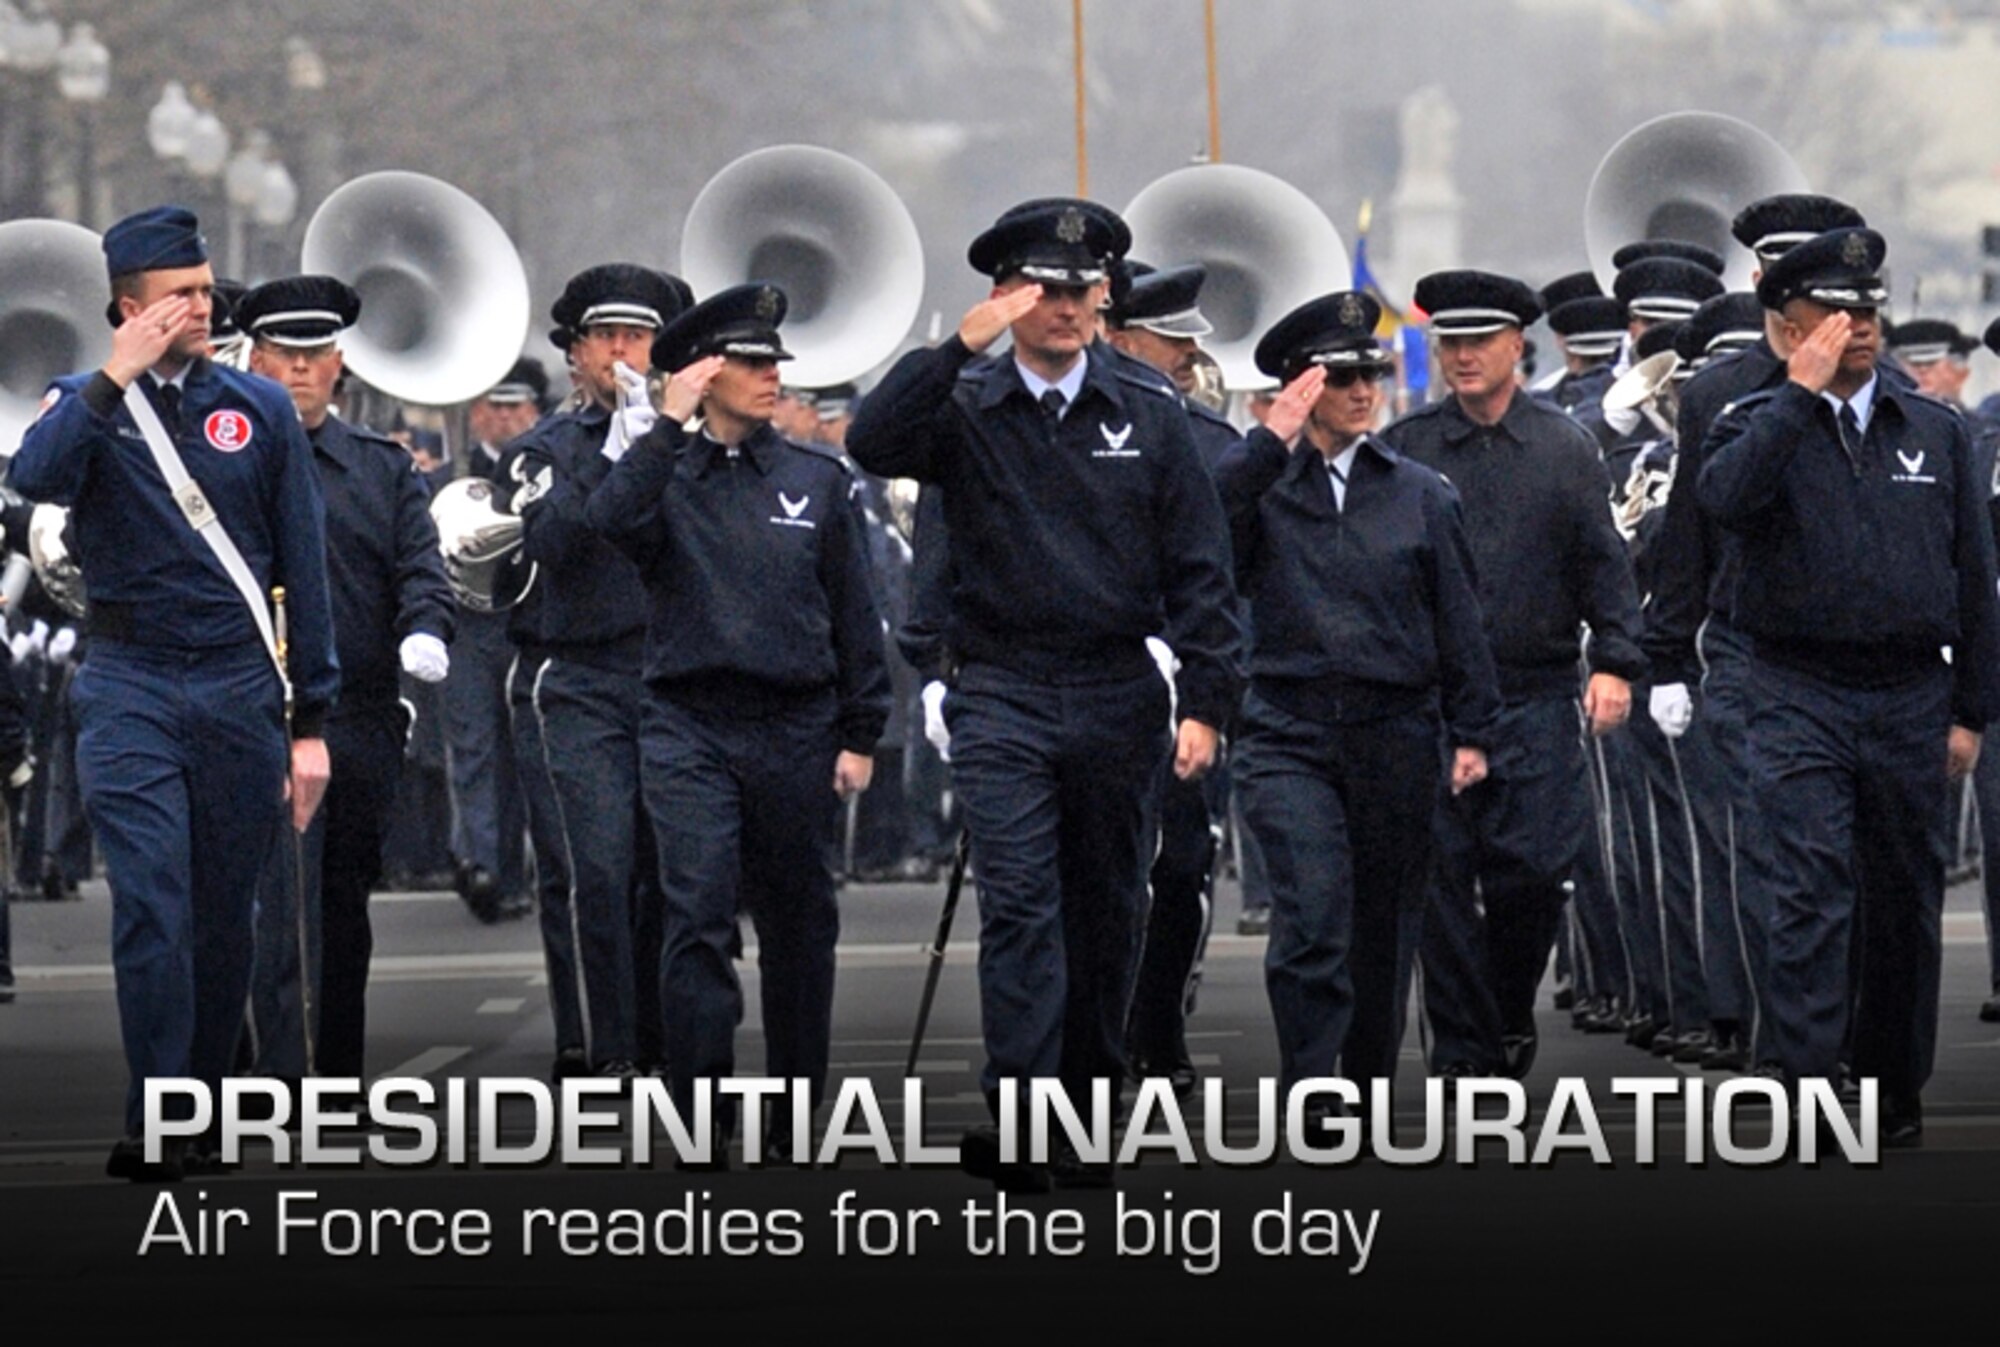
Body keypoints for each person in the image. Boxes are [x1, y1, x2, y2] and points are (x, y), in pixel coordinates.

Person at [846, 198, 1242, 1191]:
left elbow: (1200, 571)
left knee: (1108, 908)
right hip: (1004, 687)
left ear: (1105, 296)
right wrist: (955, 352)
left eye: (1080, 291)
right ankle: (1023, 1115)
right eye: (1043, 291)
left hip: (1115, 687)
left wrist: (1204, 698)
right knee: (1021, 904)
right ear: (1006, 297)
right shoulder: (963, 408)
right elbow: (871, 440)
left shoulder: (1148, 413)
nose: (1064, 308)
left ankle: (1085, 1109)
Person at [9, 206, 336, 1180]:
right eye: (179, 295)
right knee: (152, 899)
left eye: (205, 287)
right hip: (131, 678)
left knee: (222, 913)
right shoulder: (85, 403)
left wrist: (309, 718)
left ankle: (199, 1109)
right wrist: (111, 376)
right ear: (128, 307)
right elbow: (35, 477)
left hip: (237, 683)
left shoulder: (261, 408)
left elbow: (302, 566)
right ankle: (154, 1115)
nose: (202, 304)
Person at [1699, 227, 2000, 1145]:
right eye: (1832, 317)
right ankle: (1806, 1079)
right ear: (1788, 332)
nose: (1857, 330)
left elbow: (1972, 579)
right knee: (1809, 886)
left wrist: (1970, 712)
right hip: (1796, 686)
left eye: (1866, 312)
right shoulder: (1754, 425)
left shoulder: (1938, 432)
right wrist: (1793, 401)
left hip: (1910, 691)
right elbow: (1722, 502)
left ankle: (1890, 1085)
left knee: (1903, 893)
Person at [587, 283, 891, 1161]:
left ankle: (797, 1107)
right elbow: (608, 522)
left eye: (772, 363)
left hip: (795, 722)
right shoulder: (660, 472)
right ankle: (698, 1108)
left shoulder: (813, 477)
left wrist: (862, 730)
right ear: (705, 372)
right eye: (752, 364)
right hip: (689, 720)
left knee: (801, 919)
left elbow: (853, 613)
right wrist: (663, 426)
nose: (772, 379)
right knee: (697, 912)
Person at [1217, 291, 1497, 1107]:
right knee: (1311, 911)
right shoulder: (1260, 485)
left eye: (1369, 374)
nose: (1363, 390)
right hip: (1288, 728)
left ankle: (1367, 1079)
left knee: (1383, 922)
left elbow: (1459, 619)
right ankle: (1313, 1084)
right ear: (1304, 387)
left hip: (1394, 730)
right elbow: (1198, 525)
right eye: (1342, 378)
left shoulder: (1419, 491)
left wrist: (1472, 728)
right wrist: (1265, 445)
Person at [1380, 269, 1644, 1082]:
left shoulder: (1564, 445)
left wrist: (1617, 663)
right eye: (1448, 342)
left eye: (1478, 342)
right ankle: (1466, 1057)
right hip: (1437, 704)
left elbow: (1605, 565)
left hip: (1535, 694)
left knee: (1535, 872)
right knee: (1442, 885)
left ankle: (1500, 1007)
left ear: (1516, 348)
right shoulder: (1411, 447)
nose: (1461, 357)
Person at [1641, 192, 1870, 1072]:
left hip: (1864, 658)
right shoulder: (1721, 391)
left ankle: (1847, 1038)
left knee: (1851, 867)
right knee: (1777, 859)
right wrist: (1669, 658)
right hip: (1750, 653)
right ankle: (1790, 1045)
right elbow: (1692, 540)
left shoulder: (1882, 386)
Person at [235, 274, 454, 1084]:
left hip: (358, 714)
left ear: (340, 365)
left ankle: (336, 1074)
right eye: (284, 354)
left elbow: (419, 568)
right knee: (277, 901)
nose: (300, 370)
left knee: (343, 902)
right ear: (252, 360)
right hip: (258, 706)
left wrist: (426, 630)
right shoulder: (228, 467)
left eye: (315, 354)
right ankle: (278, 1075)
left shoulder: (381, 470)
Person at [505, 264, 687, 1081]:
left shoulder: (687, 437)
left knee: (670, 871)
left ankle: (662, 1037)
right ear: (575, 355)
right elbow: (551, 544)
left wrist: (662, 442)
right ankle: (604, 1043)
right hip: (580, 673)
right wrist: (620, 461)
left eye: (638, 336)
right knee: (599, 867)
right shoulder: (542, 448)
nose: (621, 352)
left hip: (671, 672)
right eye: (604, 337)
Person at [1105, 260, 1239, 1093]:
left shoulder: (1211, 441)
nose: (1189, 356)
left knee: (1182, 865)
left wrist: (1214, 690)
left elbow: (1225, 581)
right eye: (1171, 340)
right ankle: (1100, 1030)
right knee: (1097, 872)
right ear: (1120, 340)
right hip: (1096, 671)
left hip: (1182, 682)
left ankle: (1158, 1025)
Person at [443, 361, 544, 922]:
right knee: (475, 750)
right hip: (468, 634)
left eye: (516, 408)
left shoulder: (542, 476)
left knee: (518, 757)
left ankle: (506, 870)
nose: (505, 418)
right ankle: (481, 863)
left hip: (525, 631)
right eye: (496, 407)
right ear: (478, 412)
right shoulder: (450, 481)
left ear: (533, 411)